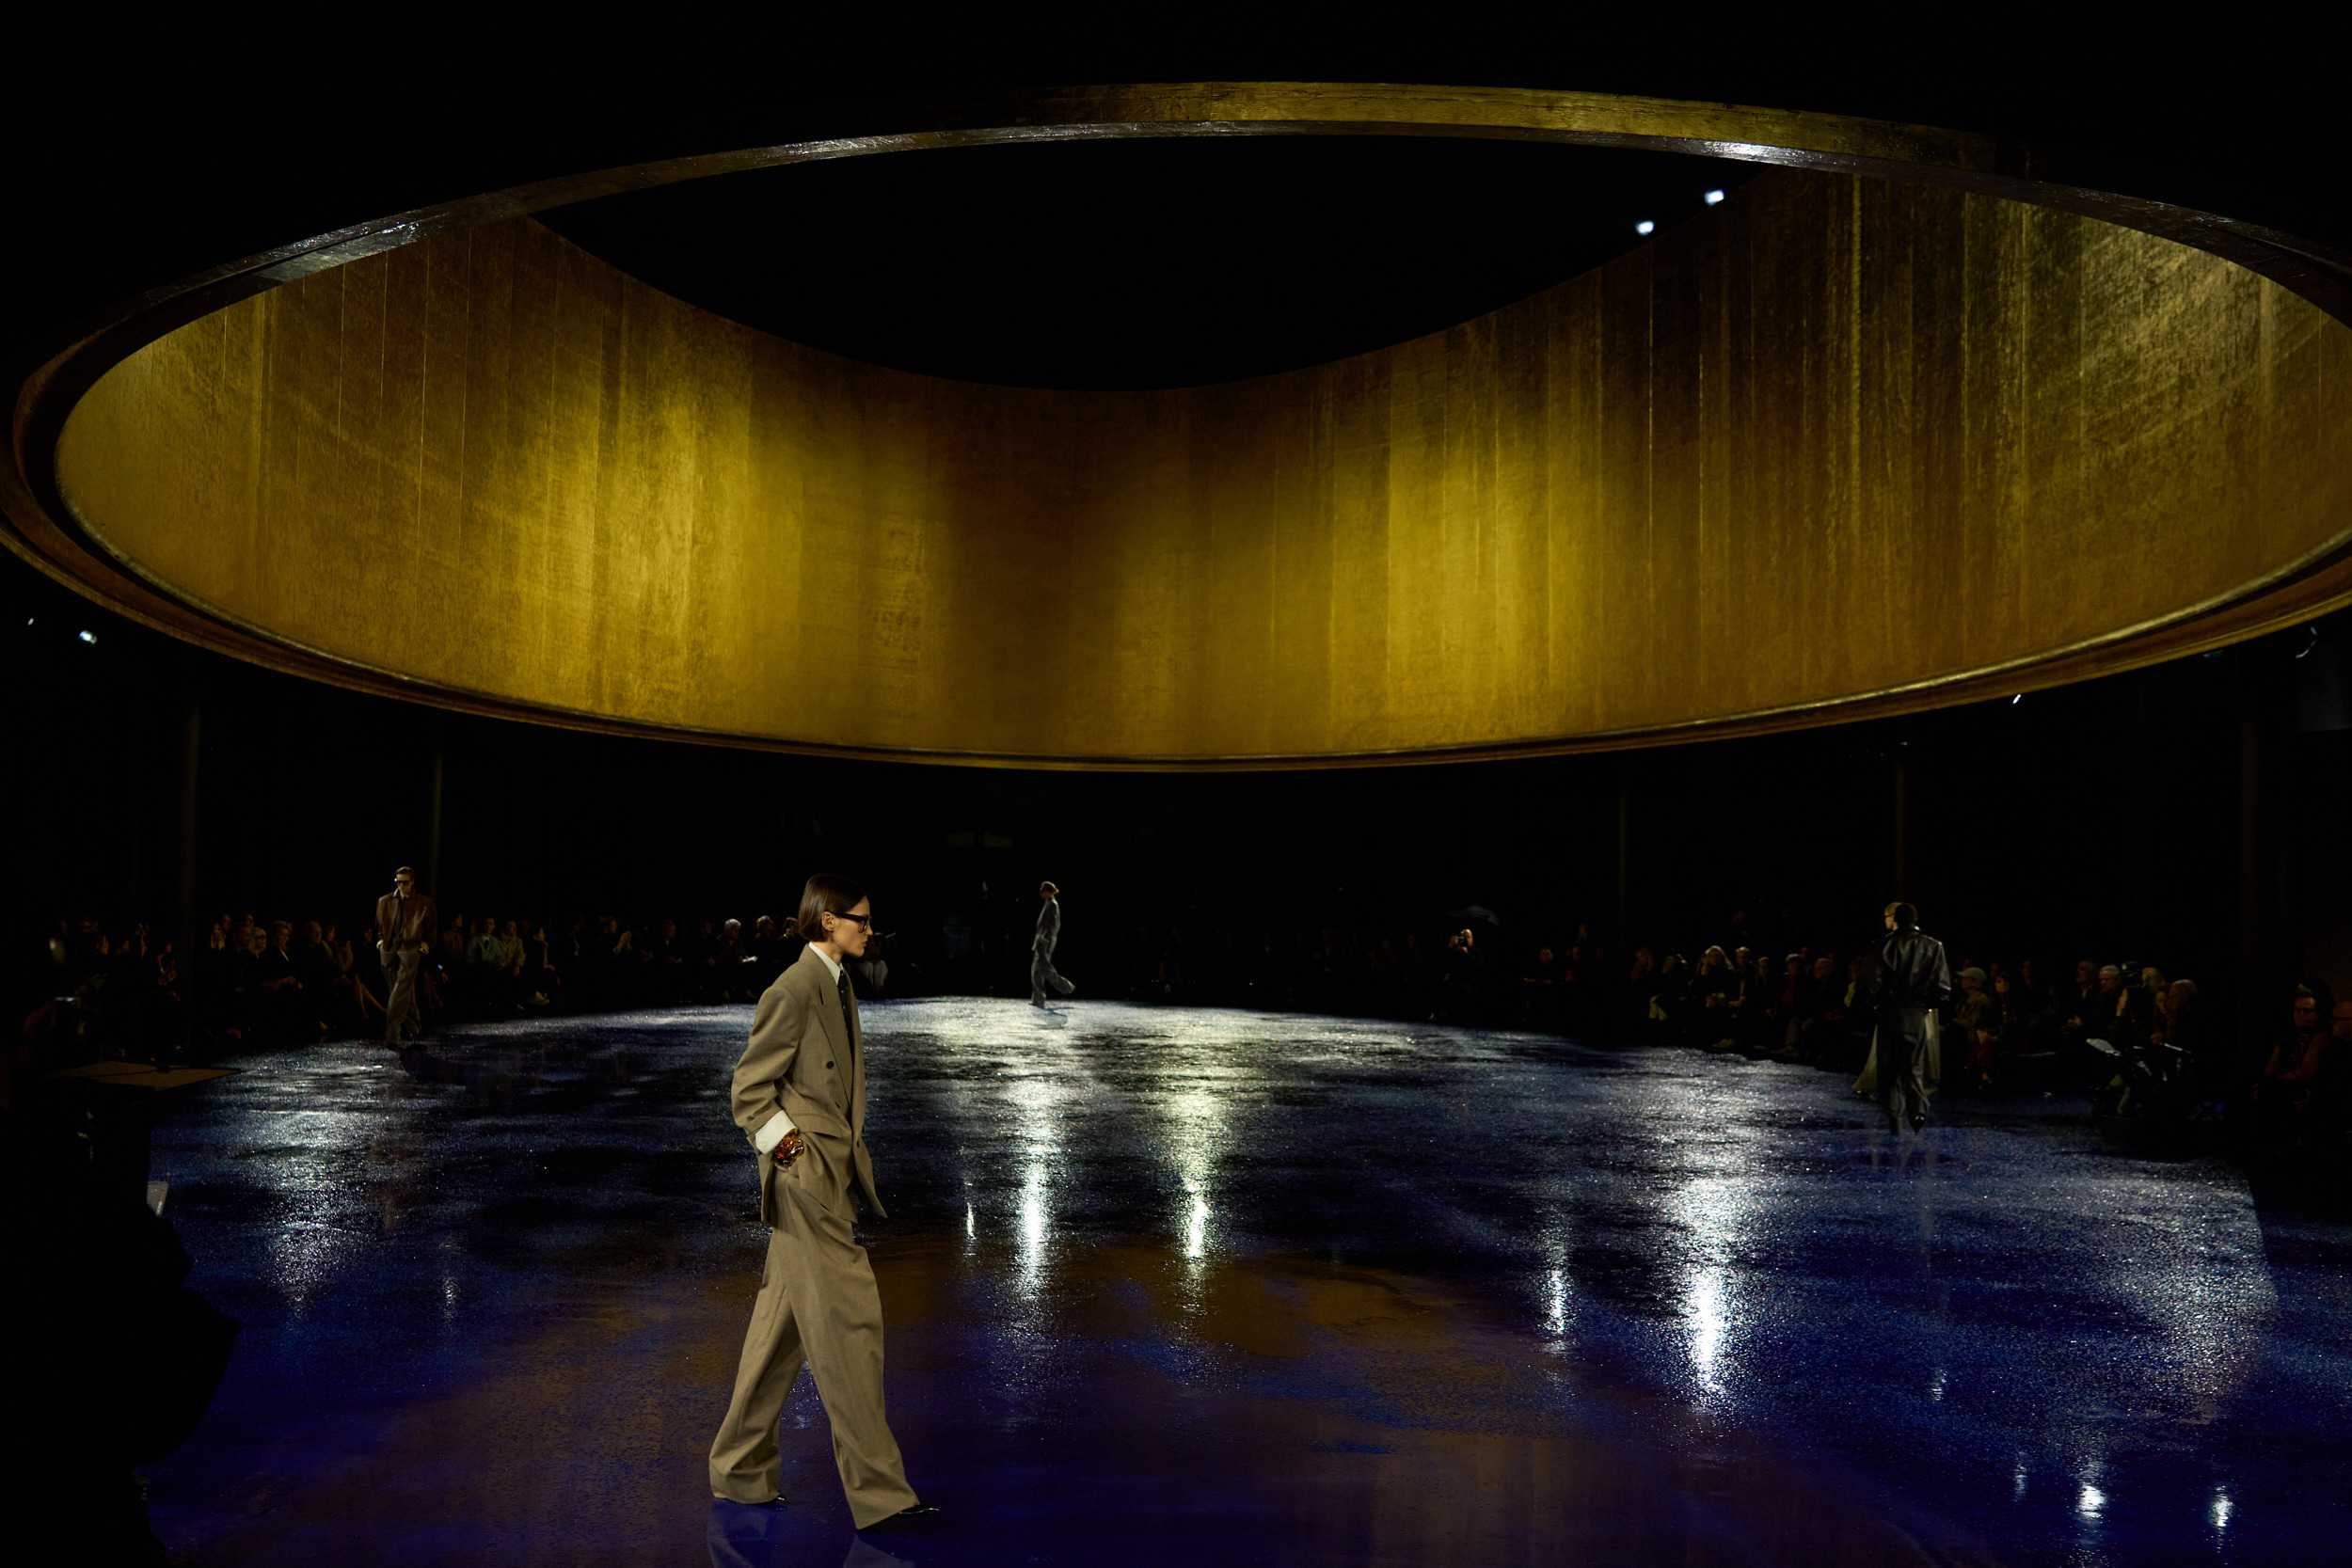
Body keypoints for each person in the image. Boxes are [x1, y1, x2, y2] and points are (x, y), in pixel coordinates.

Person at [709, 874, 933, 1532]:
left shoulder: (836, 983)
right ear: (827, 920)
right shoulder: (794, 987)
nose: (871, 928)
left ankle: (739, 1469)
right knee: (851, 1324)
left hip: (831, 1174)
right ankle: (881, 1493)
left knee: (779, 1331)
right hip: (809, 1183)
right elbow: (749, 1090)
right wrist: (791, 1153)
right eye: (861, 919)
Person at [1853, 901, 1952, 1133]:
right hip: (1916, 1013)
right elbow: (1943, 989)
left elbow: (1868, 985)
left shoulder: (1882, 945)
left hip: (1889, 1011)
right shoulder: (1933, 946)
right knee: (1913, 1064)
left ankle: (1893, 1114)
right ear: (1915, 920)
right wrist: (1926, 1005)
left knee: (1888, 1066)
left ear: (1895, 919)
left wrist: (1871, 1004)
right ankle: (1917, 1111)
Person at [373, 866, 437, 1045]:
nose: (401, 886)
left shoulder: (425, 903)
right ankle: (415, 1027)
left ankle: (392, 1034)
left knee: (399, 990)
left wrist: (424, 946)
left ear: (412, 882)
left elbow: (431, 930)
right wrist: (380, 942)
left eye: (405, 882)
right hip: (388, 952)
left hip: (411, 950)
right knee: (400, 992)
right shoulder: (384, 901)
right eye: (398, 882)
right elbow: (380, 926)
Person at [1029, 880, 1075, 1007]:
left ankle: (1066, 987)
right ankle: (1038, 999)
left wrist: (1044, 939)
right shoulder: (1048, 903)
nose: (1041, 893)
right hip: (1041, 941)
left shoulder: (1053, 904)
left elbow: (1053, 925)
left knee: (1045, 969)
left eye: (1043, 890)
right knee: (1036, 971)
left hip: (1044, 941)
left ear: (1048, 891)